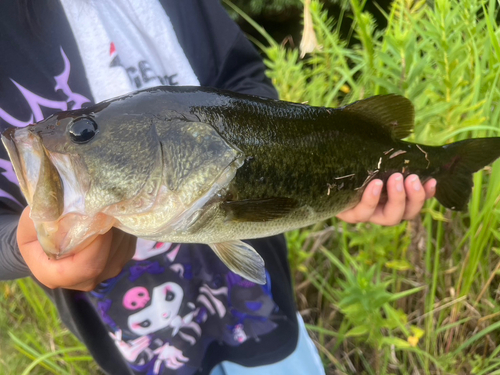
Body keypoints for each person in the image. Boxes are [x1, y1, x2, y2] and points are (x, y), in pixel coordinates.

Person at [0, 0, 436, 374]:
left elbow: (243, 79)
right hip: (145, 348)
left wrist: (338, 184)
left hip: (266, 315)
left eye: (83, 132)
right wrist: (19, 249)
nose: (43, 140)